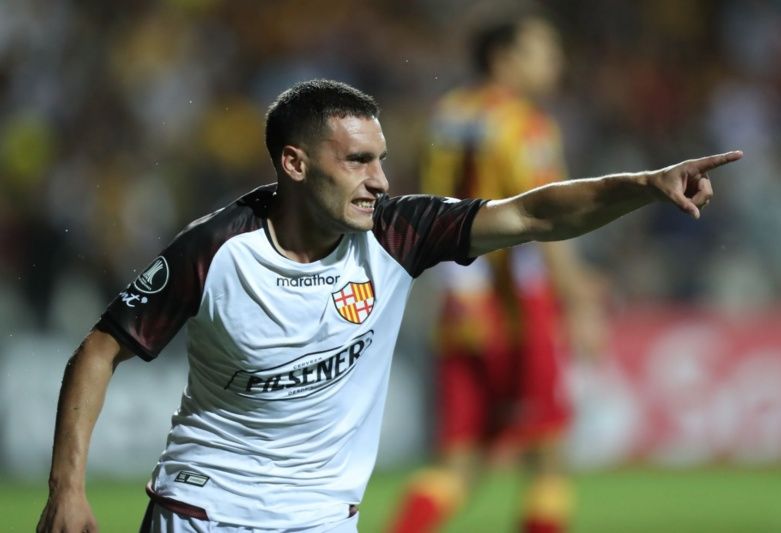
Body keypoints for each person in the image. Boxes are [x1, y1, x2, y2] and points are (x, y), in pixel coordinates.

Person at [36, 78, 740, 533]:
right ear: (294, 163)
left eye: (380, 158)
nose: (380, 179)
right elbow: (98, 350)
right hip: (203, 510)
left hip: (323, 519)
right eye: (357, 161)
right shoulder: (215, 250)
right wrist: (68, 489)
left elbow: (533, 214)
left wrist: (644, 184)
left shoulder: (399, 232)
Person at [389, 13, 604, 533]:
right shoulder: (524, 124)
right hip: (515, 305)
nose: (556, 62)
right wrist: (578, 301)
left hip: (457, 300)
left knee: (458, 461)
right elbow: (545, 217)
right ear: (505, 59)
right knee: (547, 458)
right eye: (544, 51)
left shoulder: (447, 115)